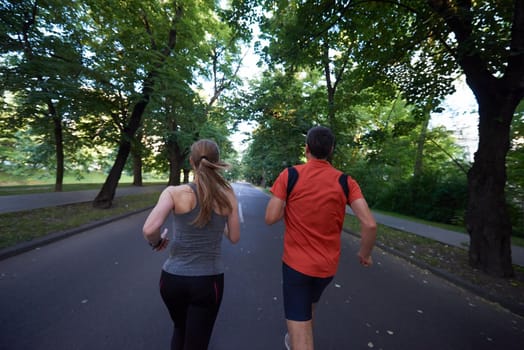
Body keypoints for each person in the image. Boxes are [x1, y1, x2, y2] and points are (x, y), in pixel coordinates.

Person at [265, 126, 377, 350]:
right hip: (326, 269)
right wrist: (364, 254)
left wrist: (291, 206)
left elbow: (271, 217)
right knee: (308, 309)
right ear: (331, 150)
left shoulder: (291, 175)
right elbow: (370, 224)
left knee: (300, 326)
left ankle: (298, 342)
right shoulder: (346, 182)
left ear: (306, 149)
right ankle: (295, 339)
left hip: (296, 266)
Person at [143, 139, 241, 350]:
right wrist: (218, 224)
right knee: (197, 342)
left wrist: (157, 242)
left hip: (171, 280)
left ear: (191, 162)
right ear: (217, 162)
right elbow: (234, 237)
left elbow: (149, 229)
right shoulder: (228, 195)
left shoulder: (173, 192)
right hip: (208, 282)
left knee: (180, 328)